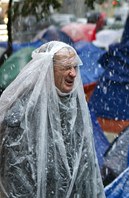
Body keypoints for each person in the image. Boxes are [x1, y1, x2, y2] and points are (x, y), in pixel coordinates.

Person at [0, 41, 105, 198]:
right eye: (65, 67)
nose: (73, 73)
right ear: (48, 69)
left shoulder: (74, 105)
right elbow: (15, 172)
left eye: (75, 67)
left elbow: (86, 161)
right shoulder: (23, 109)